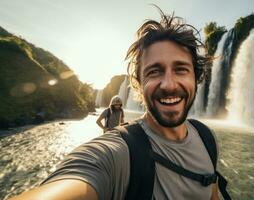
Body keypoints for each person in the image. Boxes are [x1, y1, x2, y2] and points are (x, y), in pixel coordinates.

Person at [10, 7, 226, 200]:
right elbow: (75, 180)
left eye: (181, 69)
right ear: (138, 84)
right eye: (154, 71)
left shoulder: (207, 139)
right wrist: (107, 130)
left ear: (196, 78)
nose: (169, 84)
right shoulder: (115, 154)